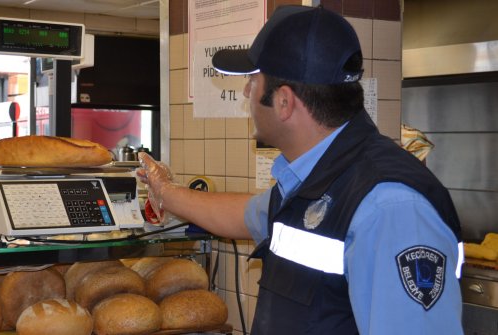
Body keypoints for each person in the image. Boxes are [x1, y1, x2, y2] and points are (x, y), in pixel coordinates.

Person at [137, 5, 463, 335]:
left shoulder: (390, 208)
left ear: (284, 102)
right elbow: (242, 215)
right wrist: (164, 190)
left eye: (253, 81)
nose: (247, 93)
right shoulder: (313, 179)